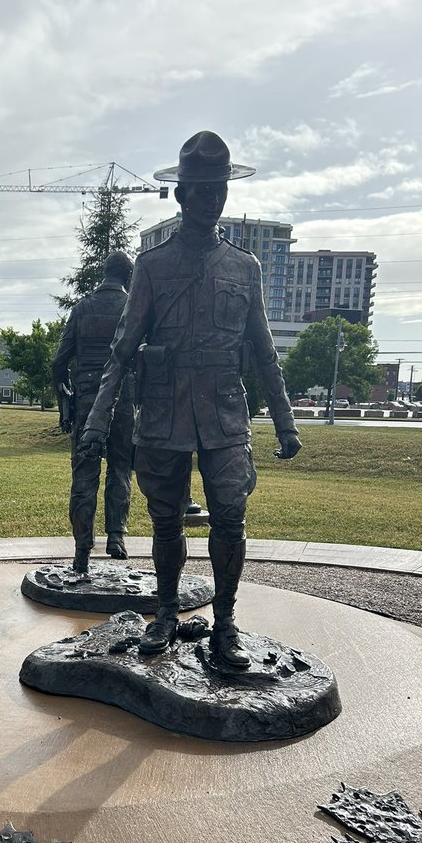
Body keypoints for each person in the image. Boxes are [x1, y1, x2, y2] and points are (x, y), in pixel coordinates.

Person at [79, 131, 301, 666]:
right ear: (182, 195)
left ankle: (225, 623)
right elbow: (121, 351)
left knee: (230, 516)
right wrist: (96, 419)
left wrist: (286, 422)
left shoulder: (244, 266)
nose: (212, 199)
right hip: (166, 410)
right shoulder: (153, 267)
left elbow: (264, 351)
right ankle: (164, 612)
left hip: (225, 411)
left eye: (219, 188)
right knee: (165, 520)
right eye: (202, 189)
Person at [51, 251, 135, 573]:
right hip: (123, 399)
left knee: (84, 475)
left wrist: (64, 395)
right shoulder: (132, 309)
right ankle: (116, 537)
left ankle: (82, 550)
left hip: (87, 400)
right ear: (128, 277)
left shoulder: (82, 308)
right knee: (121, 468)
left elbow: (59, 362)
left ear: (105, 273)